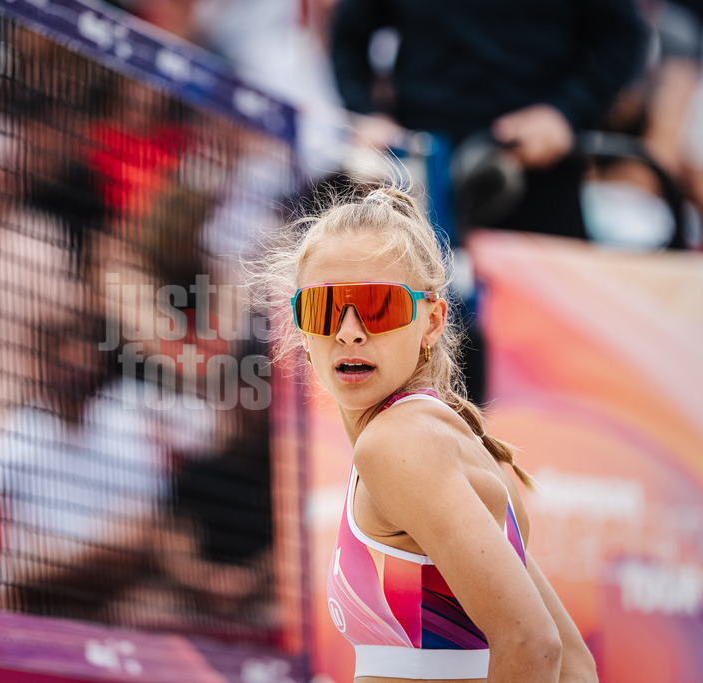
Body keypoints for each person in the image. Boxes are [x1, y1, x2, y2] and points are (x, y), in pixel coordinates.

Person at [249, 180, 596, 681]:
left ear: (432, 321)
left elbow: (533, 644)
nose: (348, 331)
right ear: (302, 328)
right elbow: (575, 667)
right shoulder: (438, 437)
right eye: (324, 308)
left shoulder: (398, 442)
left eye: (378, 306)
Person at [329, 0, 647, 240]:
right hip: (418, 172)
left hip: (534, 175)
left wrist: (563, 113)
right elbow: (347, 36)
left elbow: (623, 37)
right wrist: (368, 115)